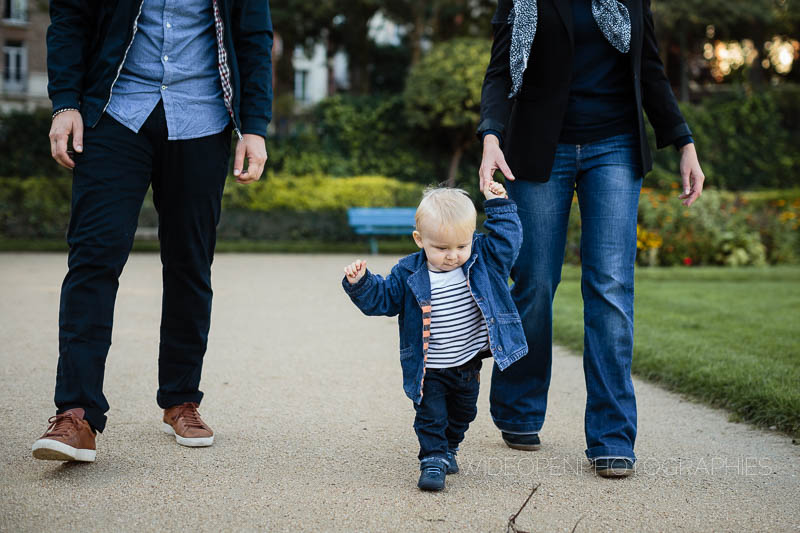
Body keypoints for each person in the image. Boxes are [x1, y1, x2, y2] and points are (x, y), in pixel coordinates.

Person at [32, 0, 273, 462]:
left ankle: (182, 399)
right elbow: (70, 17)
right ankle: (76, 414)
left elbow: (254, 36)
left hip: (203, 116)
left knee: (190, 263)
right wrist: (64, 101)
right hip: (114, 111)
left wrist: (254, 125)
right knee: (93, 258)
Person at [476, 0, 706, 477]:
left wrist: (683, 141)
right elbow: (500, 71)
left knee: (611, 287)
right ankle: (519, 408)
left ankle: (612, 436)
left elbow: (649, 67)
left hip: (615, 144)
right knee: (535, 281)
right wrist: (491, 135)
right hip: (539, 148)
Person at [342, 184, 528, 491]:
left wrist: (499, 205)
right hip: (429, 368)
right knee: (431, 417)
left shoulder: (484, 258)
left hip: (467, 365)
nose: (453, 256)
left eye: (461, 246)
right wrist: (361, 284)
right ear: (420, 240)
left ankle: (449, 447)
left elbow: (508, 242)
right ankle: (432, 458)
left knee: (464, 413)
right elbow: (384, 300)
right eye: (441, 249)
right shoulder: (408, 273)